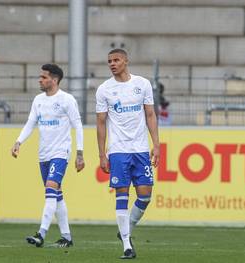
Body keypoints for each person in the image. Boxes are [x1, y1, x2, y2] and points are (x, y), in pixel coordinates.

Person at [11, 64, 84, 248]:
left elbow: (78, 126)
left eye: (43, 77)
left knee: (51, 188)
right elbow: (30, 123)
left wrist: (80, 153)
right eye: (40, 76)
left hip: (60, 153)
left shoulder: (67, 100)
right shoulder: (38, 100)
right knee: (56, 194)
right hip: (44, 154)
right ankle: (66, 237)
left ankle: (41, 233)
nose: (40, 80)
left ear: (54, 79)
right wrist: (18, 141)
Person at [96, 49, 160, 259]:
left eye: (116, 60)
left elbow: (150, 114)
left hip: (141, 150)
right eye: (109, 61)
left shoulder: (142, 84)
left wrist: (156, 145)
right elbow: (101, 122)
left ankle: (127, 229)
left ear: (126, 61)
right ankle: (126, 245)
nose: (112, 64)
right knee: (122, 195)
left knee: (145, 195)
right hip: (118, 151)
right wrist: (102, 154)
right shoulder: (104, 89)